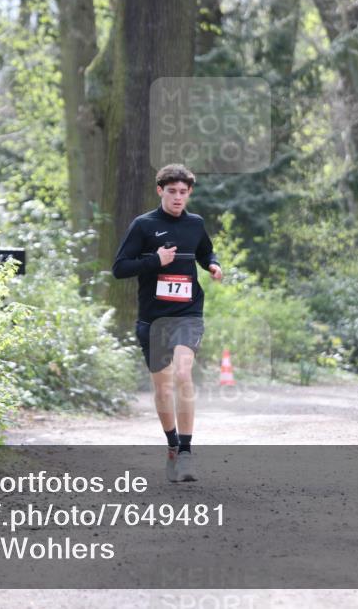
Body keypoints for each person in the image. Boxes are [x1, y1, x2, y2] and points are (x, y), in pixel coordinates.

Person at [112, 164, 222, 482]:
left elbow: (205, 252)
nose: (177, 198)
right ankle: (172, 446)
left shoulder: (195, 224)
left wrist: (213, 266)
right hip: (153, 319)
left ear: (189, 193)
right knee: (163, 388)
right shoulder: (143, 226)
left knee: (184, 374)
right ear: (160, 191)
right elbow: (119, 268)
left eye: (183, 192)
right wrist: (154, 261)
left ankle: (187, 453)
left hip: (188, 313)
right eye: (171, 191)